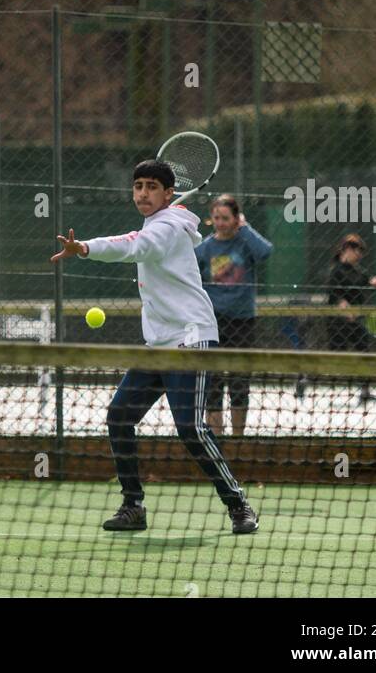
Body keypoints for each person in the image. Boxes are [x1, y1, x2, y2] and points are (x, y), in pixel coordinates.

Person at [51, 158, 259, 536]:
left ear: (168, 194)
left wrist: (83, 247)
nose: (143, 193)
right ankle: (133, 506)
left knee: (192, 429)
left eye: (151, 187)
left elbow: (134, 246)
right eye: (138, 186)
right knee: (119, 416)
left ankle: (238, 504)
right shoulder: (160, 223)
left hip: (191, 338)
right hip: (159, 344)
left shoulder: (168, 228)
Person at [193, 194, 273, 437]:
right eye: (216, 217)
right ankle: (216, 442)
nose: (220, 222)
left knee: (239, 383)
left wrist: (245, 228)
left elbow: (266, 252)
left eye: (225, 218)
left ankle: (239, 440)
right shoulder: (204, 248)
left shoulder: (245, 242)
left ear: (236, 219)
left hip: (243, 323)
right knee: (213, 384)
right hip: (212, 323)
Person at [326, 233, 376, 403]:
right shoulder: (336, 270)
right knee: (336, 358)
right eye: (358, 251)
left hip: (355, 322)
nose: (360, 255)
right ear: (347, 249)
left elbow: (368, 280)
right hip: (337, 323)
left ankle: (365, 391)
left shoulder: (357, 269)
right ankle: (305, 380)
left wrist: (374, 282)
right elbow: (335, 295)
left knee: (364, 351)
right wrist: (345, 310)